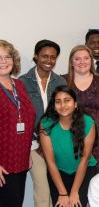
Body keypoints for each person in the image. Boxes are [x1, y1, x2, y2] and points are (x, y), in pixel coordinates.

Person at [19, 39, 66, 207]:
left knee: (58, 190)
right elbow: (22, 116)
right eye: (45, 56)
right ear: (36, 56)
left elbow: (64, 113)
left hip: (57, 143)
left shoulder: (60, 82)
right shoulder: (23, 82)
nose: (49, 61)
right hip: (33, 145)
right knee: (43, 191)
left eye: (53, 57)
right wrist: (39, 141)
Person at [39, 85, 96, 207]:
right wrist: (63, 193)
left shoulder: (88, 122)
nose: (63, 105)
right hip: (58, 172)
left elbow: (85, 159)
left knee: (78, 203)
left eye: (67, 100)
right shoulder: (46, 124)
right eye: (58, 102)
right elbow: (50, 162)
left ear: (75, 104)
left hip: (84, 170)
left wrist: (75, 191)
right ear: (54, 106)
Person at [64, 45, 99, 167]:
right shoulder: (64, 81)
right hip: (73, 138)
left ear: (91, 61)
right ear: (71, 62)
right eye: (77, 59)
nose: (82, 62)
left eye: (86, 58)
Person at [0, 40, 35, 207]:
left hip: (20, 160)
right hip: (2, 164)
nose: (3, 61)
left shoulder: (19, 85)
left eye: (7, 56)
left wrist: (27, 151)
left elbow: (26, 120)